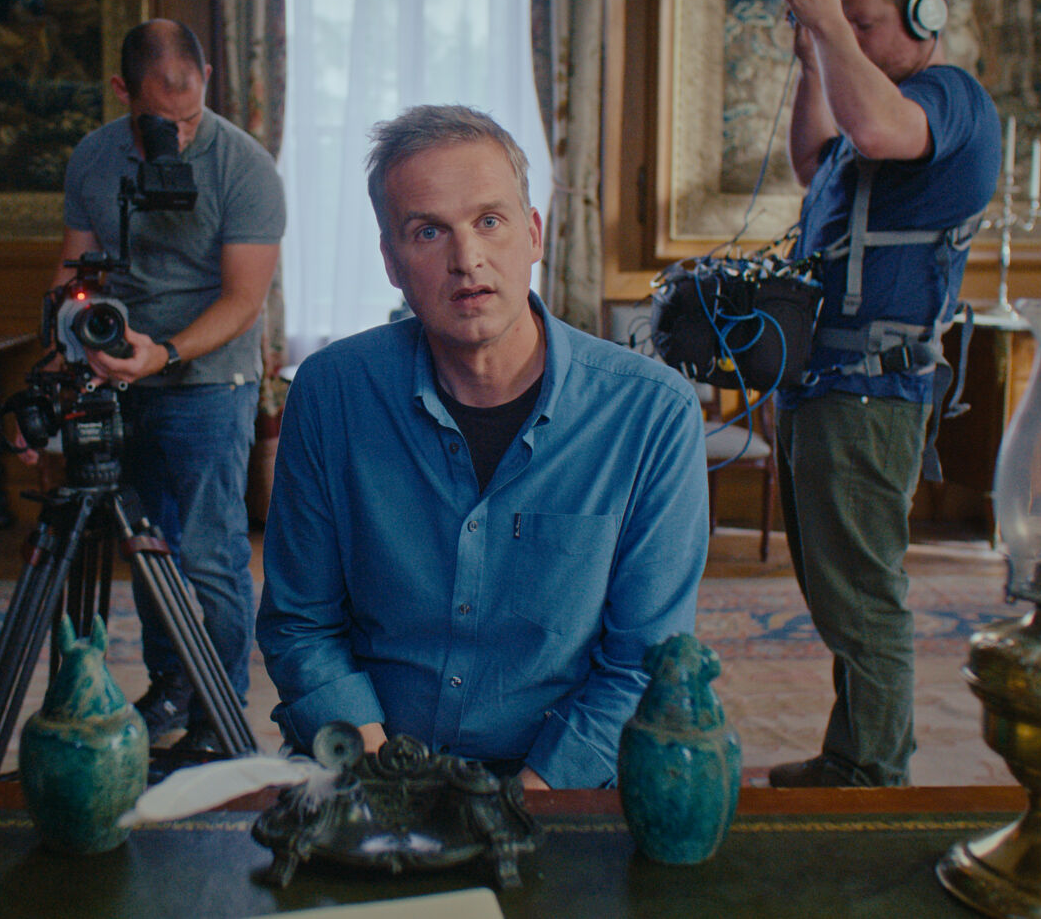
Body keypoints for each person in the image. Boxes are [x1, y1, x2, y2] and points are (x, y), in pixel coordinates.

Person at [256, 105, 709, 790]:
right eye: (428, 231)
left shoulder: (651, 414)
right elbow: (302, 626)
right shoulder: (331, 393)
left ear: (533, 234)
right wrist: (388, 785)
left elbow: (642, 663)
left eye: (489, 221)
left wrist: (522, 806)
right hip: (373, 768)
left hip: (560, 783)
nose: (466, 259)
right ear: (391, 262)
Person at [775, 0, 1000, 786]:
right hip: (821, 386)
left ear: (923, 16)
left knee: (863, 595)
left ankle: (874, 775)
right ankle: (853, 753)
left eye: (866, 24)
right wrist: (814, 57)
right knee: (835, 588)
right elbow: (817, 161)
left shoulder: (948, 99)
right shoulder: (873, 99)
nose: (855, 40)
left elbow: (873, 129)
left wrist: (827, 24)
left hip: (871, 394)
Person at [49, 18, 284, 750]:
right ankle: (172, 688)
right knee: (146, 548)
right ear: (122, 91)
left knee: (212, 555)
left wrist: (166, 353)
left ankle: (220, 709)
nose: (176, 138)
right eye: (160, 122)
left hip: (210, 380)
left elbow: (244, 301)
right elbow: (73, 272)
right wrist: (65, 351)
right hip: (118, 377)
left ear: (207, 79)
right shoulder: (95, 158)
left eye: (187, 120)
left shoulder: (245, 167)